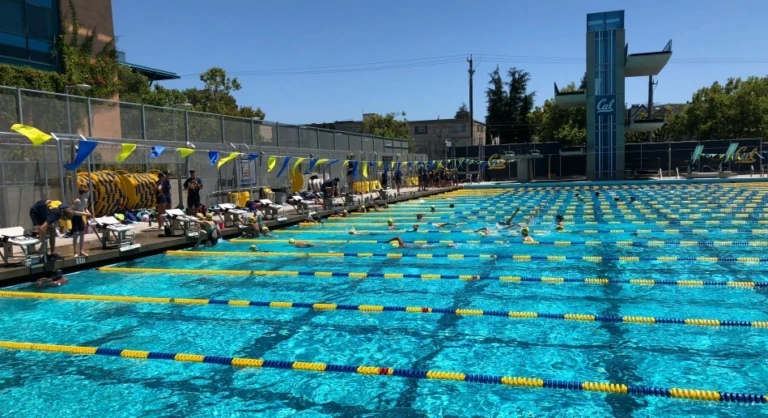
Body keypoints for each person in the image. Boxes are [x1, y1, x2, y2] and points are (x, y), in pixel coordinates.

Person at [70, 188, 92, 257]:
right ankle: (75, 252)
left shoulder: (85, 200)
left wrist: (88, 212)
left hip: (80, 218)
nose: (89, 195)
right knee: (76, 234)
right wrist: (84, 214)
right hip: (75, 218)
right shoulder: (77, 201)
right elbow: (72, 211)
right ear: (83, 194)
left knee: (82, 233)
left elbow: (85, 208)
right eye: (88, 193)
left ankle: (81, 251)